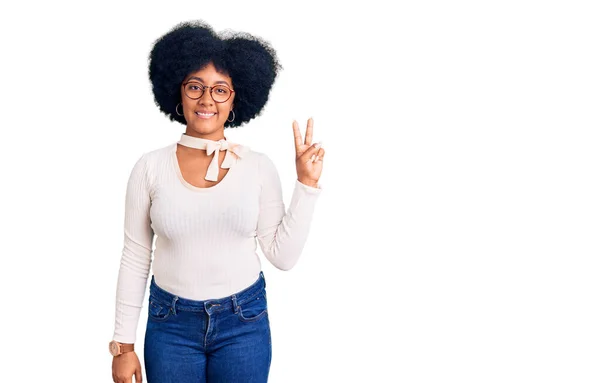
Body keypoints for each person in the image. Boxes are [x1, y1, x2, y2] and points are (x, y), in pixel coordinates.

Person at [109, 20, 325, 383]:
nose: (207, 99)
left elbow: (282, 257)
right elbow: (134, 257)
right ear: (178, 93)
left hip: (243, 324)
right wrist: (123, 346)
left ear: (236, 98)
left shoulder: (258, 168)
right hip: (170, 327)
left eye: (220, 90)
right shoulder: (149, 168)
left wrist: (306, 184)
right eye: (195, 86)